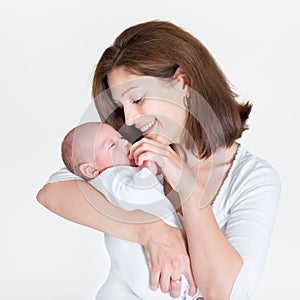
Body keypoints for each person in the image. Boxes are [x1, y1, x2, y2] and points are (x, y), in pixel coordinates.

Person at [37, 20, 280, 300]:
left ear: (182, 83)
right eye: (121, 106)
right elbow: (52, 192)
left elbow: (224, 291)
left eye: (137, 99)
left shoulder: (253, 178)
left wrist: (187, 185)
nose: (129, 120)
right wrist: (149, 231)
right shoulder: (130, 153)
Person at [60, 121, 199, 299]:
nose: (125, 143)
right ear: (91, 169)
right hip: (145, 264)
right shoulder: (108, 179)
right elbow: (129, 191)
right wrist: (147, 168)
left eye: (120, 138)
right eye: (111, 145)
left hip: (157, 251)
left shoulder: (124, 171)